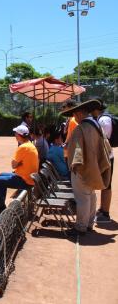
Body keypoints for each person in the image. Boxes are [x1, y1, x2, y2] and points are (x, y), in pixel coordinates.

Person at [62, 99, 112, 237]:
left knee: (82, 197)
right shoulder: (96, 125)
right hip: (94, 167)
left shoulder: (81, 128)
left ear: (78, 114)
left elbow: (77, 150)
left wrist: (75, 167)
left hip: (82, 168)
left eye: (74, 115)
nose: (74, 118)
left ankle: (80, 227)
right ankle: (89, 223)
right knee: (90, 195)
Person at [0, 125, 39, 217]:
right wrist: (20, 164)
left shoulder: (23, 147)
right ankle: (0, 204)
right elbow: (17, 164)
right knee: (1, 175)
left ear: (19, 135)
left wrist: (19, 164)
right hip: (28, 178)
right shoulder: (30, 144)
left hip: (25, 180)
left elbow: (13, 165)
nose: (15, 135)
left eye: (16, 134)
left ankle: (0, 208)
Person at [90, 98, 114, 223]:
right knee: (105, 183)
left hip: (106, 156)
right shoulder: (102, 118)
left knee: (106, 184)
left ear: (95, 109)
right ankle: (102, 209)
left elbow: (104, 141)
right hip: (106, 155)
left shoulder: (103, 120)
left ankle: (105, 213)